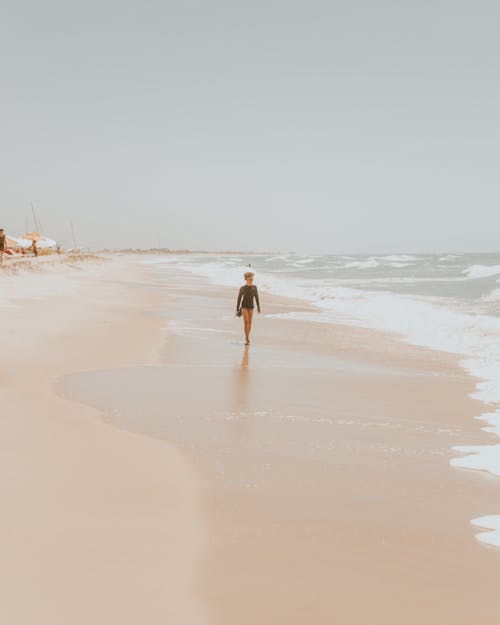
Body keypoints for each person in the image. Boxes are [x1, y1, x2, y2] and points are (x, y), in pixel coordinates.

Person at [236, 271, 261, 345]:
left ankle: (247, 336)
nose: (252, 279)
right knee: (246, 322)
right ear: (246, 278)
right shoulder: (242, 288)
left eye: (252, 278)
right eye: (250, 278)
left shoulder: (254, 287)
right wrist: (237, 308)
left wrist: (258, 307)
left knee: (250, 323)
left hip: (251, 307)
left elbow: (256, 297)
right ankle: (247, 338)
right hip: (244, 307)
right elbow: (239, 298)